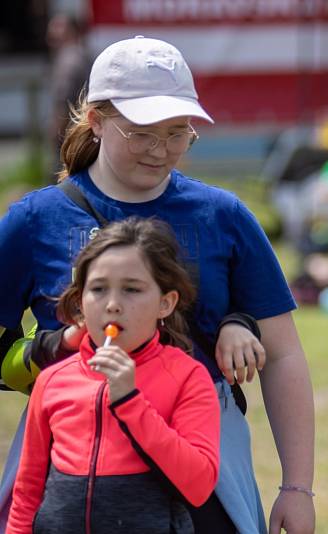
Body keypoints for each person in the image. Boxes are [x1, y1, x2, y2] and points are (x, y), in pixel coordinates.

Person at [0, 36, 315, 533]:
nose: (161, 151)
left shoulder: (223, 215)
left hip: (198, 454)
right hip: (72, 460)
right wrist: (49, 350)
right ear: (96, 122)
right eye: (141, 133)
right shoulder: (34, 219)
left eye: (177, 134)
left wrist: (297, 487)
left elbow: (283, 355)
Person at [7, 218, 220, 533]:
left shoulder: (188, 377)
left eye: (132, 289)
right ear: (80, 302)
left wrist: (130, 402)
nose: (113, 305)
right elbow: (28, 490)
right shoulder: (52, 380)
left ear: (165, 302)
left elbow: (199, 484)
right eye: (98, 289)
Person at [46, 13, 91, 181]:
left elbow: (63, 98)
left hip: (69, 135)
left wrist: (56, 130)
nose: (51, 36)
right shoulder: (84, 55)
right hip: (85, 133)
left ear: (72, 32)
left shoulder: (69, 60)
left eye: (58, 30)